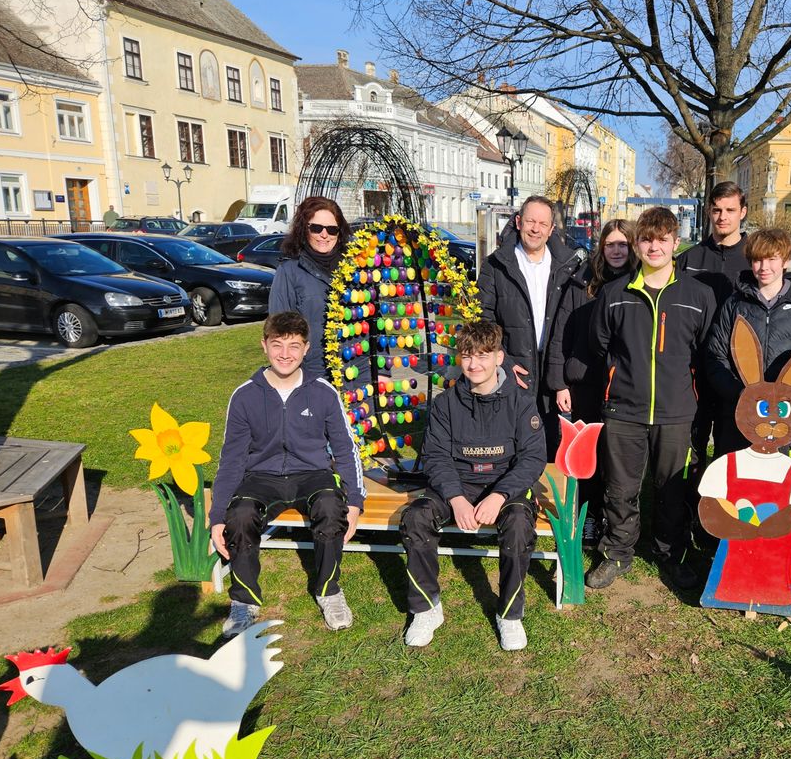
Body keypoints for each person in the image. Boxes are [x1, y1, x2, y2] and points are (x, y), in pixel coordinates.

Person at [211, 311, 365, 637]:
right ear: (264, 346)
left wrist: (354, 502)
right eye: (277, 344)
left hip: (312, 474)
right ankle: (244, 601)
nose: (285, 354)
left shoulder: (323, 392)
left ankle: (329, 590)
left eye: (294, 346)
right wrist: (217, 517)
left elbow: (345, 448)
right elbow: (231, 460)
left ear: (306, 349)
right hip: (262, 477)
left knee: (329, 507)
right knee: (240, 515)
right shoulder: (245, 395)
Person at [588, 206, 716, 590]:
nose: (654, 246)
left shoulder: (699, 296)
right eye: (647, 238)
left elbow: (707, 352)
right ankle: (617, 552)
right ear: (636, 244)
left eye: (663, 239)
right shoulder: (614, 294)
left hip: (676, 412)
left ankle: (670, 552)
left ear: (676, 243)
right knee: (620, 488)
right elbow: (600, 346)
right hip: (624, 410)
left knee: (672, 488)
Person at [399, 321, 547, 652]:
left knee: (520, 526)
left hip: (503, 486)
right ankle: (426, 608)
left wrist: (499, 494)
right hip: (457, 485)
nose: (474, 364)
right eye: (467, 356)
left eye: (483, 356)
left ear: (499, 357)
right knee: (416, 519)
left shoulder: (521, 403)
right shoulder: (445, 404)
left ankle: (509, 615)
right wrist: (455, 498)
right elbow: (435, 457)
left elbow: (532, 458)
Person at [544, 218, 637, 544]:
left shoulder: (637, 284)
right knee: (586, 456)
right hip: (583, 382)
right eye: (610, 244)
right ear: (601, 247)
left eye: (622, 244)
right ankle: (587, 516)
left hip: (622, 386)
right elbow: (560, 335)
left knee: (617, 457)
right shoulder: (581, 283)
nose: (616, 250)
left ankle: (616, 520)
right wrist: (559, 383)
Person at [703, 227, 791, 458]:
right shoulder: (735, 304)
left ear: (786, 261)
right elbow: (715, 355)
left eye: (771, 259)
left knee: (777, 486)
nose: (764, 268)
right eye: (758, 260)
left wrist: (790, 396)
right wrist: (740, 394)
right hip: (738, 413)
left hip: (783, 415)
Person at [675, 181, 752, 543]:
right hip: (692, 369)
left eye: (730, 210)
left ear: (743, 213)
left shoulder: (754, 258)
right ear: (709, 212)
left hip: (735, 374)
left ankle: (721, 520)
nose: (722, 217)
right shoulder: (689, 259)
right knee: (690, 447)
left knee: (728, 450)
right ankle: (687, 514)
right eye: (717, 210)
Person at [477, 195, 584, 441]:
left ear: (551, 230)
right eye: (530, 221)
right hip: (514, 368)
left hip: (554, 371)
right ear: (518, 222)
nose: (535, 229)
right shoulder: (496, 265)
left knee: (549, 446)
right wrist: (501, 360)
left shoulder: (568, 266)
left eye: (542, 224)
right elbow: (485, 319)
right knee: (511, 442)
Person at [268, 196, 352, 381]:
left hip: (356, 377)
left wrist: (383, 371)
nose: (324, 235)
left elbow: (374, 318)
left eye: (332, 229)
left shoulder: (353, 269)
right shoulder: (289, 271)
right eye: (316, 228)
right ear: (303, 230)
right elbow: (279, 329)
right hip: (313, 376)